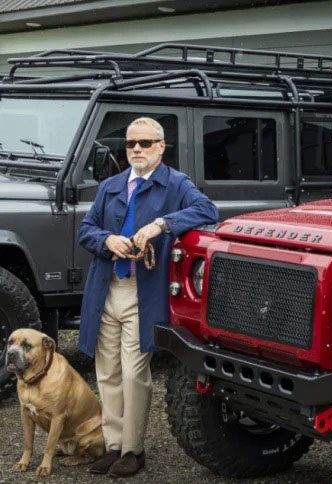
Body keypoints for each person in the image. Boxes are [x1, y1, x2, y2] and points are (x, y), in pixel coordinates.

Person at [77, 117, 218, 477]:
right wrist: (107, 241)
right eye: (130, 144)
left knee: (134, 372)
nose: (136, 150)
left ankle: (132, 450)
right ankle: (111, 446)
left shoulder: (176, 183)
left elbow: (207, 210)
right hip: (106, 288)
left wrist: (161, 225)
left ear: (160, 147)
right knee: (106, 370)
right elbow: (86, 230)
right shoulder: (110, 185)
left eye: (144, 143)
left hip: (144, 291)